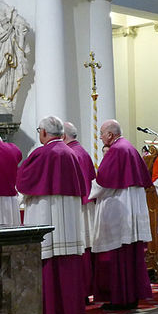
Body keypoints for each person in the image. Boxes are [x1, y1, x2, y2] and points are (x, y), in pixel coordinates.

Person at [17, 115, 88, 314]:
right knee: (67, 261)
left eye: (39, 130)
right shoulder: (71, 153)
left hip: (45, 211)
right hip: (69, 219)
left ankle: (50, 311)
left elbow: (23, 183)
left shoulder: (41, 153)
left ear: (45, 133)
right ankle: (71, 310)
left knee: (47, 258)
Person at [90, 120, 154, 311]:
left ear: (111, 134)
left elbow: (104, 182)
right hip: (131, 205)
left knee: (119, 255)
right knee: (130, 255)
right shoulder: (129, 147)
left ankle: (120, 299)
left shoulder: (118, 150)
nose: (100, 137)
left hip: (121, 208)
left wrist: (88, 193)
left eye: (101, 133)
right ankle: (130, 297)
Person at [63, 121, 98, 301]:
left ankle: (82, 292)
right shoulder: (81, 151)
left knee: (80, 249)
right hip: (85, 206)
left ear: (63, 136)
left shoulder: (71, 153)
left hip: (79, 208)